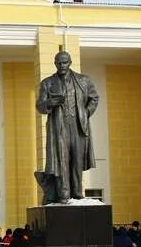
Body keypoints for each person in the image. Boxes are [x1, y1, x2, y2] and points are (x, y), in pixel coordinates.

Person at [34, 50, 100, 203]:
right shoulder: (47, 82)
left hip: (78, 126)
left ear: (70, 62)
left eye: (64, 62)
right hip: (59, 127)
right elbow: (40, 105)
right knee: (62, 160)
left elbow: (94, 98)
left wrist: (85, 112)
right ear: (55, 63)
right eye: (58, 62)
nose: (61, 65)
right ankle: (63, 195)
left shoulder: (83, 80)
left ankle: (77, 193)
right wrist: (51, 103)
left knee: (77, 160)